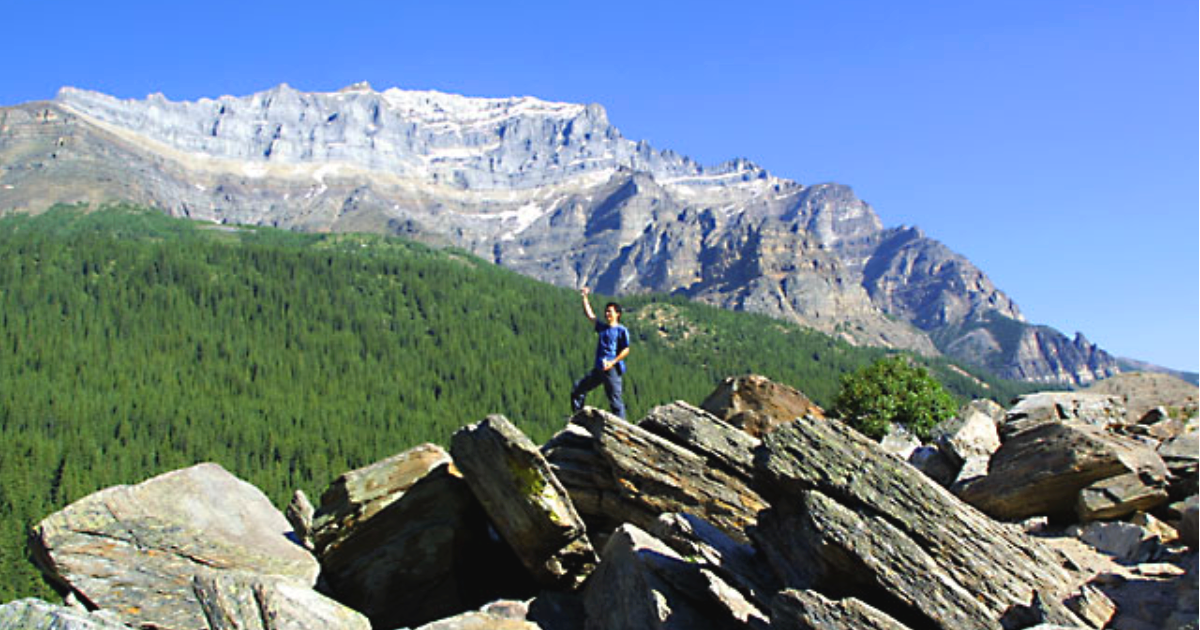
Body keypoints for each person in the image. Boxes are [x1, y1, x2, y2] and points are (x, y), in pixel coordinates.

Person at [570, 287, 630, 419]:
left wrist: (613, 362)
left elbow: (626, 349)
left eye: (610, 311)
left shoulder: (621, 330)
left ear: (617, 314)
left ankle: (622, 427)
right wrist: (585, 297)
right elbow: (590, 316)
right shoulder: (603, 328)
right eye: (606, 311)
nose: (607, 314)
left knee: (615, 401)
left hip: (612, 369)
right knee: (578, 389)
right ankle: (578, 417)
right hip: (599, 368)